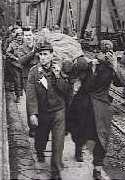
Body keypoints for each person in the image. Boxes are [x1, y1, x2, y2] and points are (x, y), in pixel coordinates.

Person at [26, 41, 71, 180]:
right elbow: (31, 94)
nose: (43, 57)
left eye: (45, 54)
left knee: (58, 142)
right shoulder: (34, 72)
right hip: (43, 111)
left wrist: (58, 77)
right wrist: (33, 113)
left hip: (58, 111)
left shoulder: (59, 69)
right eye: (40, 54)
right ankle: (40, 151)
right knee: (41, 138)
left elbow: (67, 91)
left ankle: (55, 171)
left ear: (52, 55)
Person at [69, 50, 114, 179]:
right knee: (80, 131)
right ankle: (79, 148)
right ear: (97, 53)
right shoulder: (88, 65)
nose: (105, 55)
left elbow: (121, 81)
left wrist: (115, 65)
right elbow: (86, 85)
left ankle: (97, 168)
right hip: (85, 105)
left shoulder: (111, 67)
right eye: (103, 51)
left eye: (108, 52)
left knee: (102, 137)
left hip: (101, 107)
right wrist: (92, 68)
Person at [4, 28, 24, 102]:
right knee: (17, 80)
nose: (20, 37)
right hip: (15, 64)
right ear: (16, 36)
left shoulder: (25, 43)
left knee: (23, 80)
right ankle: (18, 95)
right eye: (18, 35)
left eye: (21, 35)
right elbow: (8, 53)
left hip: (23, 64)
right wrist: (15, 58)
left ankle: (22, 93)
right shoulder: (12, 44)